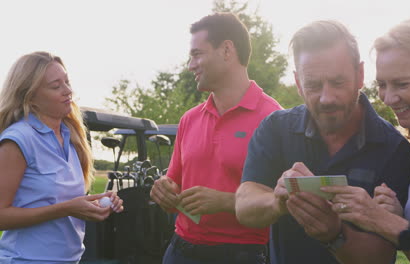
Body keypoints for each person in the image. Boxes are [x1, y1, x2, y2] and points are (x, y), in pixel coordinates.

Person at [235, 20, 410, 264]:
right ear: (298, 83)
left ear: (360, 75)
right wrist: (276, 201)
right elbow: (244, 207)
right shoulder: (275, 129)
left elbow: (382, 257)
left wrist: (335, 233)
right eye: (313, 85)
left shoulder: (394, 149)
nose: (326, 97)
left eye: (338, 83)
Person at [323, 17, 410, 264]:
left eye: (402, 84)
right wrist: (398, 218)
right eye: (382, 85)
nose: (388, 98)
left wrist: (388, 223)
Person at [149, 12, 282, 264]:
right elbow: (174, 185)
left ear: (227, 50)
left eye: (197, 54)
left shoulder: (273, 118)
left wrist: (227, 201)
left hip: (243, 255)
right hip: (179, 251)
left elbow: (284, 201)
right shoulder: (189, 119)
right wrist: (164, 190)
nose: (190, 65)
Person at [0, 51, 124, 264]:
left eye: (67, 82)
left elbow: (68, 201)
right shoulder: (18, 139)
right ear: (31, 97)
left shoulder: (71, 137)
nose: (68, 91)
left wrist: (98, 203)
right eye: (56, 86)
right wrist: (66, 209)